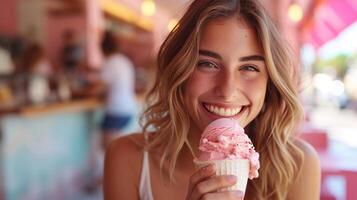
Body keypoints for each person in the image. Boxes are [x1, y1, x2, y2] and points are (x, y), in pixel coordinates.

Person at [104, 0, 321, 199]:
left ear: (270, 83)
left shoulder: (299, 166)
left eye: (249, 67)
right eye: (208, 64)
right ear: (180, 70)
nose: (227, 91)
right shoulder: (126, 159)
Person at [98, 31, 138, 149]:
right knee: (114, 147)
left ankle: (113, 167)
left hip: (116, 109)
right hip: (129, 108)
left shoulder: (110, 62)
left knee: (109, 148)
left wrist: (82, 92)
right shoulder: (124, 61)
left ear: (103, 49)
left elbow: (99, 88)